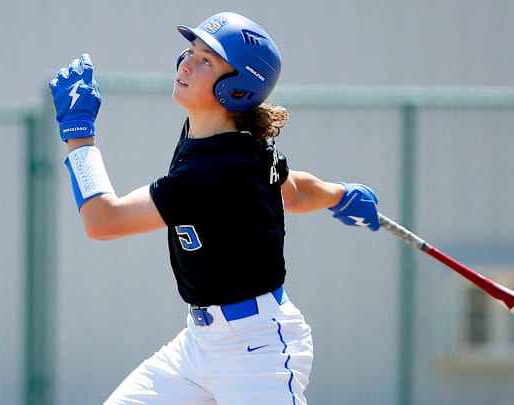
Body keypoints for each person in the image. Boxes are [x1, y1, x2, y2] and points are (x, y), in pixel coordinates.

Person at [49, 11, 380, 405]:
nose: (186, 62)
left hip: (258, 352)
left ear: (238, 88)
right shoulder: (232, 140)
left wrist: (79, 135)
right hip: (198, 346)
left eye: (207, 60)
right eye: (190, 51)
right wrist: (339, 194)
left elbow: (104, 221)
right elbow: (294, 192)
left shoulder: (221, 167)